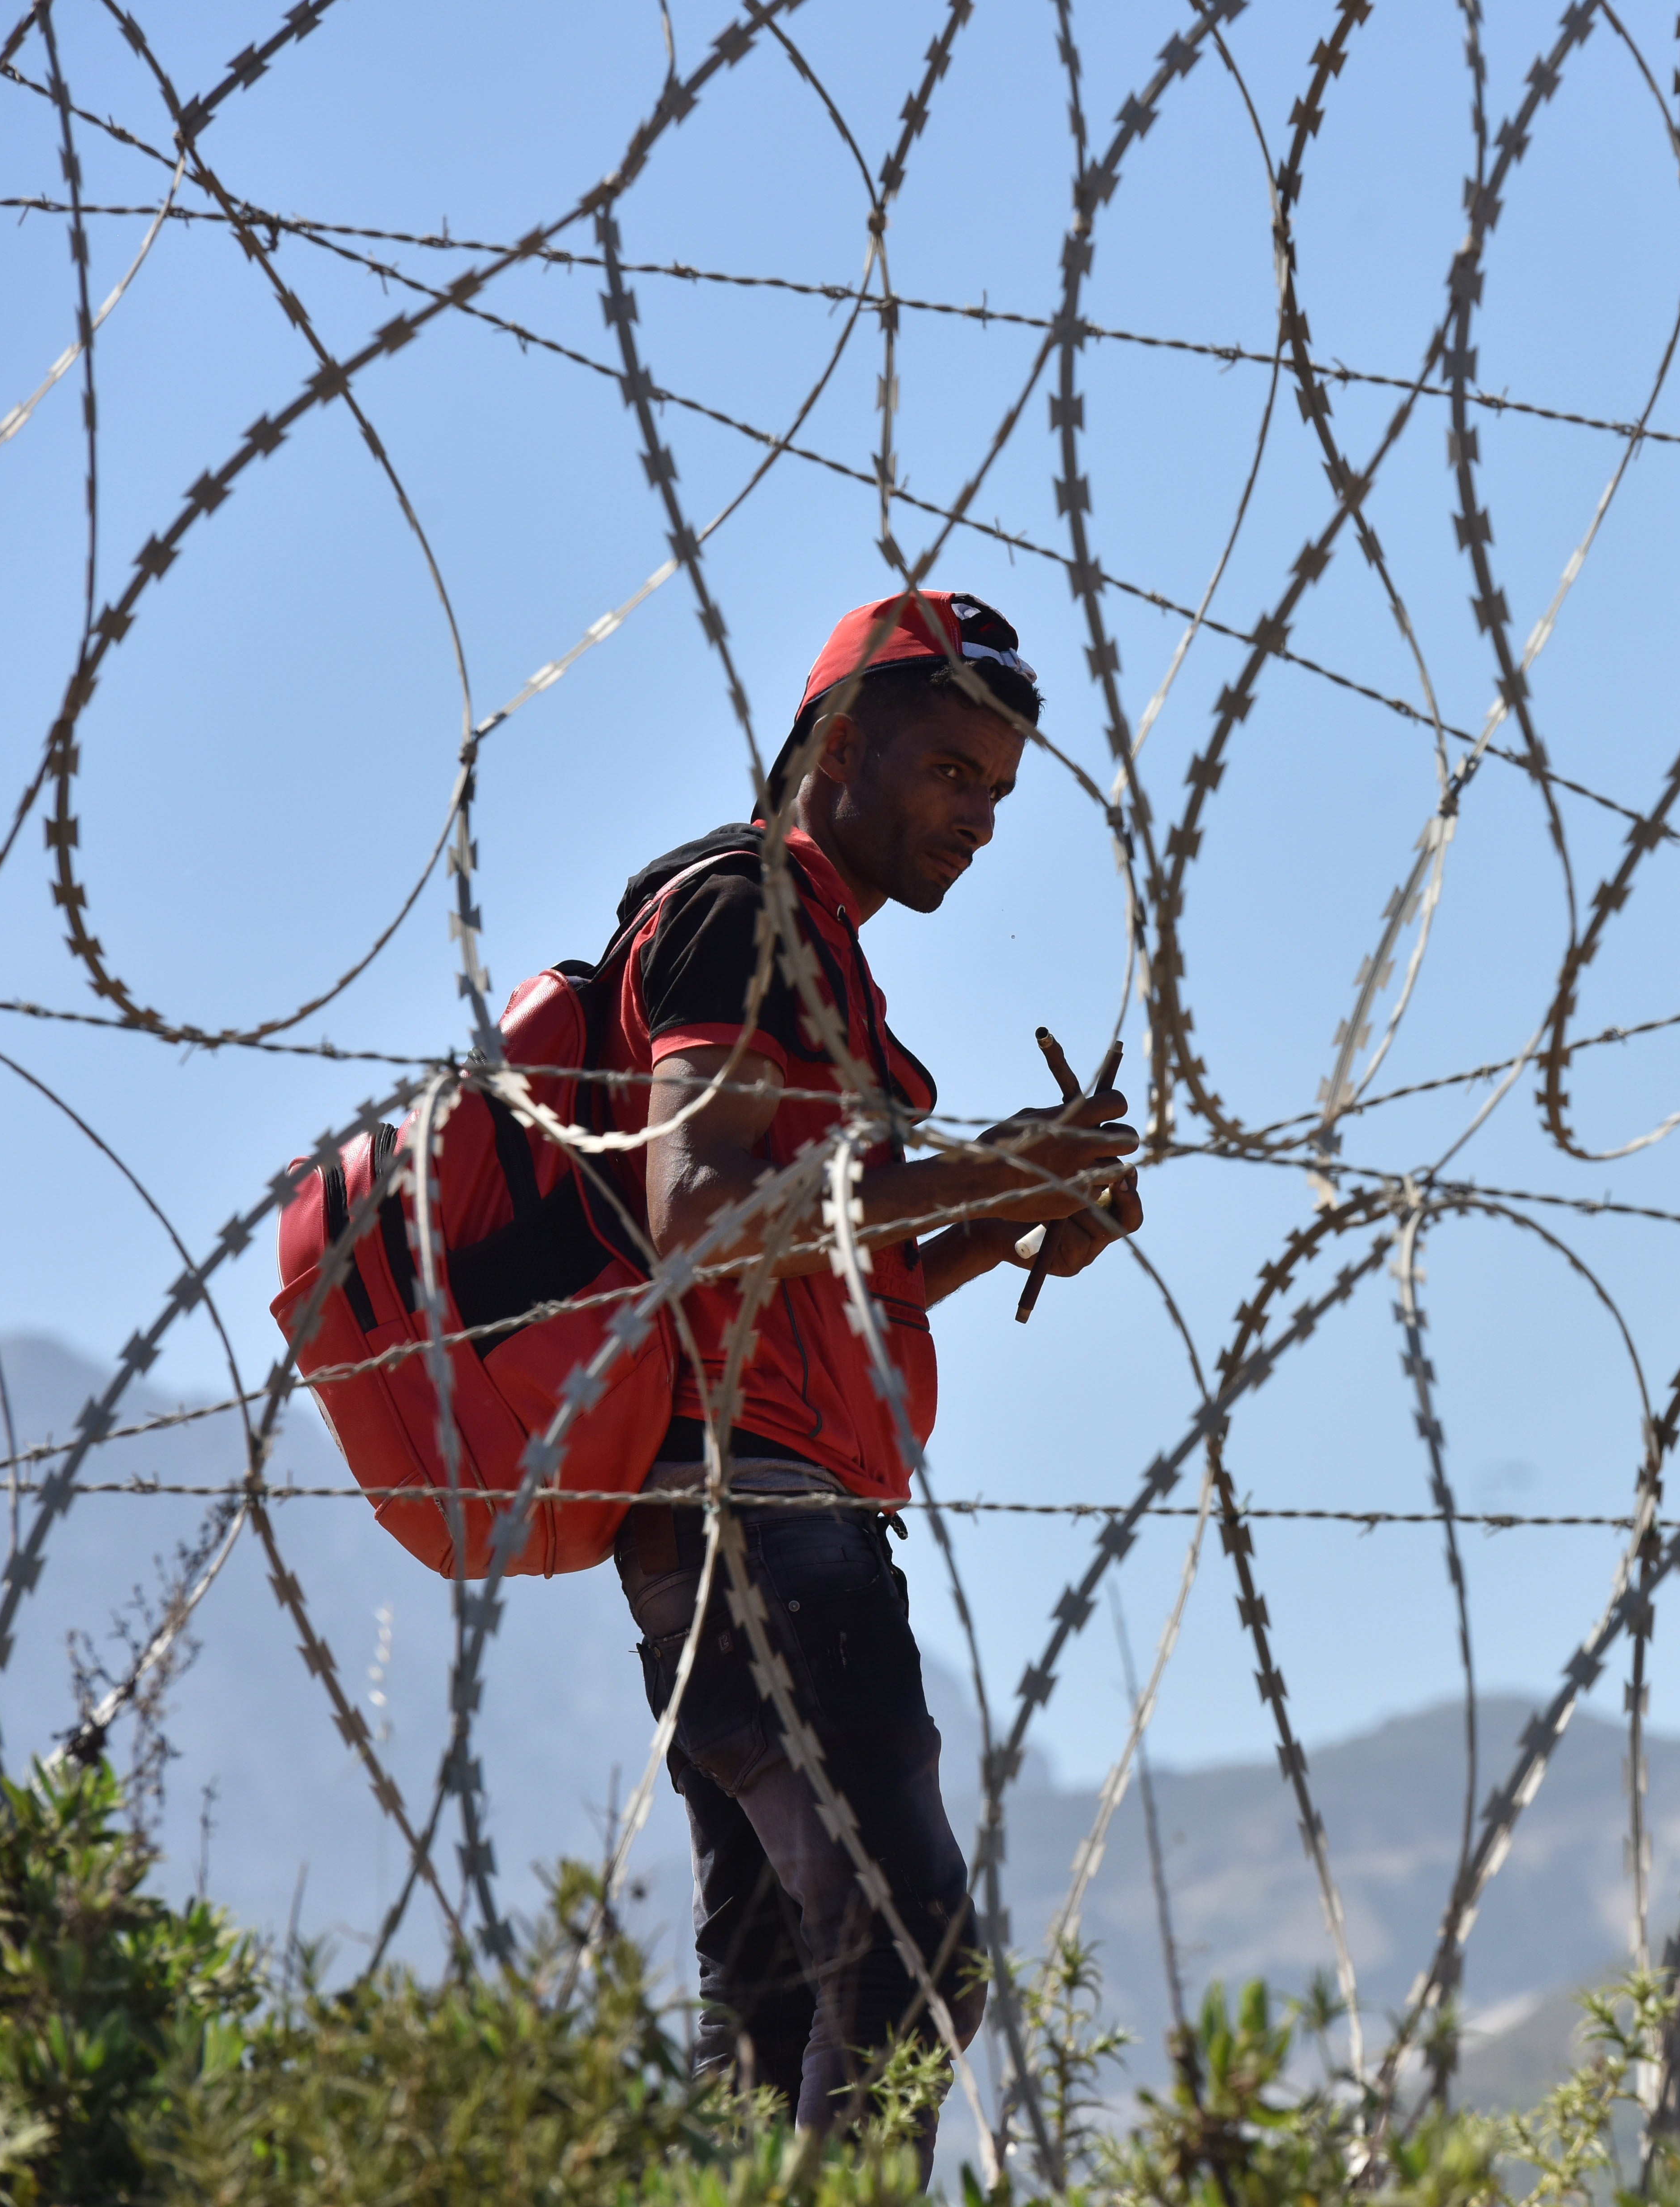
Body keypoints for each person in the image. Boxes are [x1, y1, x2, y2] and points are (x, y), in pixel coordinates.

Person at [603, 590, 1142, 2140]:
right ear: (841, 744)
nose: (976, 824)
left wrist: (1024, 1215)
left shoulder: (828, 951)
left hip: (786, 1496)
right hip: (748, 1514)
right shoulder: (747, 906)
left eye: (998, 794)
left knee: (777, 2000)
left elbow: (834, 1272)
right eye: (948, 774)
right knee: (914, 1960)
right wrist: (990, 1170)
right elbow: (701, 1215)